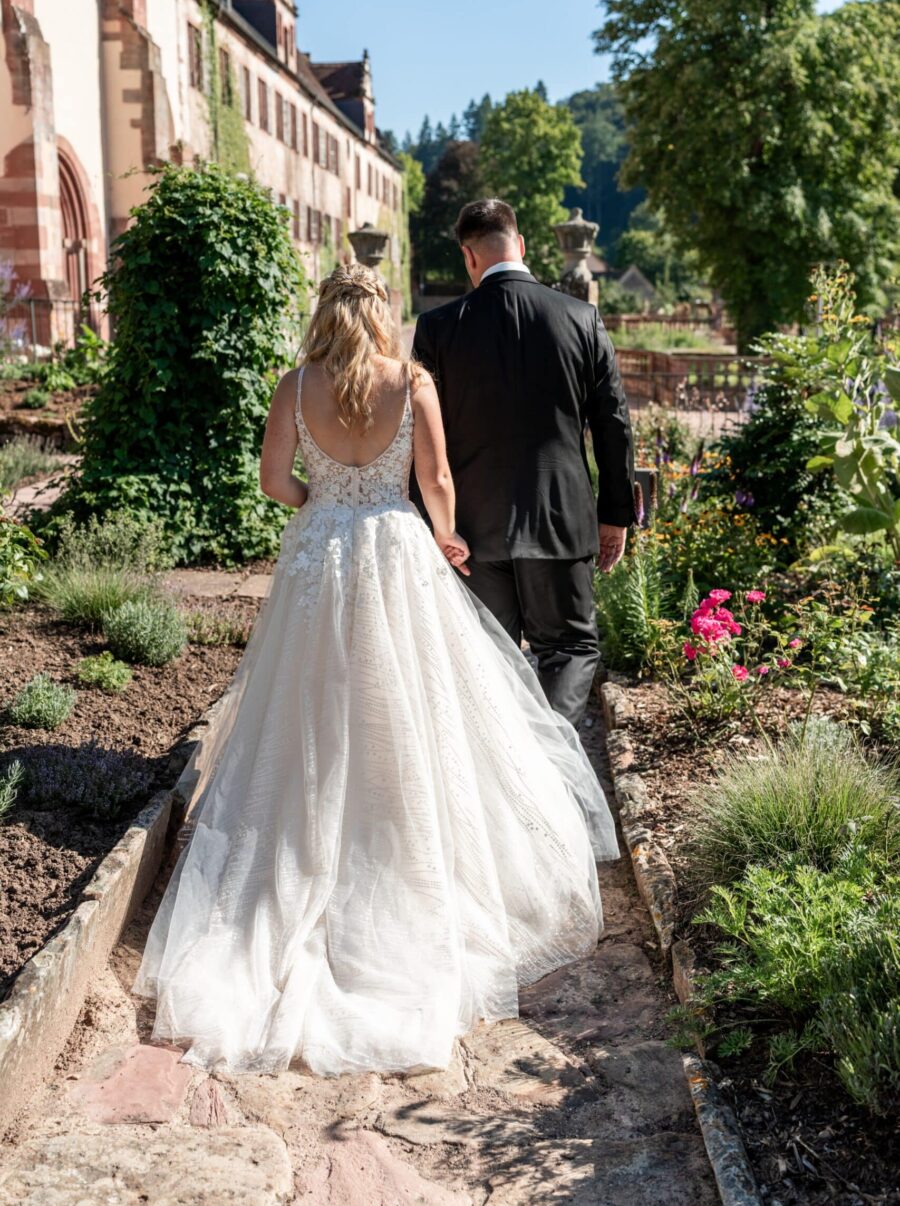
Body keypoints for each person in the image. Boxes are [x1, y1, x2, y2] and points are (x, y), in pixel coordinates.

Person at [132, 263, 618, 1078]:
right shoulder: (412, 382)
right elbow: (436, 480)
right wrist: (446, 534)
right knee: (413, 703)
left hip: (320, 555)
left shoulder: (295, 387)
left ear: (325, 312)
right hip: (397, 550)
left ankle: (305, 850)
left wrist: (323, 506)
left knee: (310, 704)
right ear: (383, 313)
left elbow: (273, 482)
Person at [413, 198, 636, 728]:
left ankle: (507, 760)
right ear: (521, 245)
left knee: (485, 655)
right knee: (570, 649)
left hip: (470, 530)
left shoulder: (437, 328)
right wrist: (615, 514)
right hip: (560, 521)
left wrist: (431, 525)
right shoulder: (581, 318)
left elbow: (418, 434)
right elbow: (613, 423)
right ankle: (553, 755)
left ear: (469, 256)